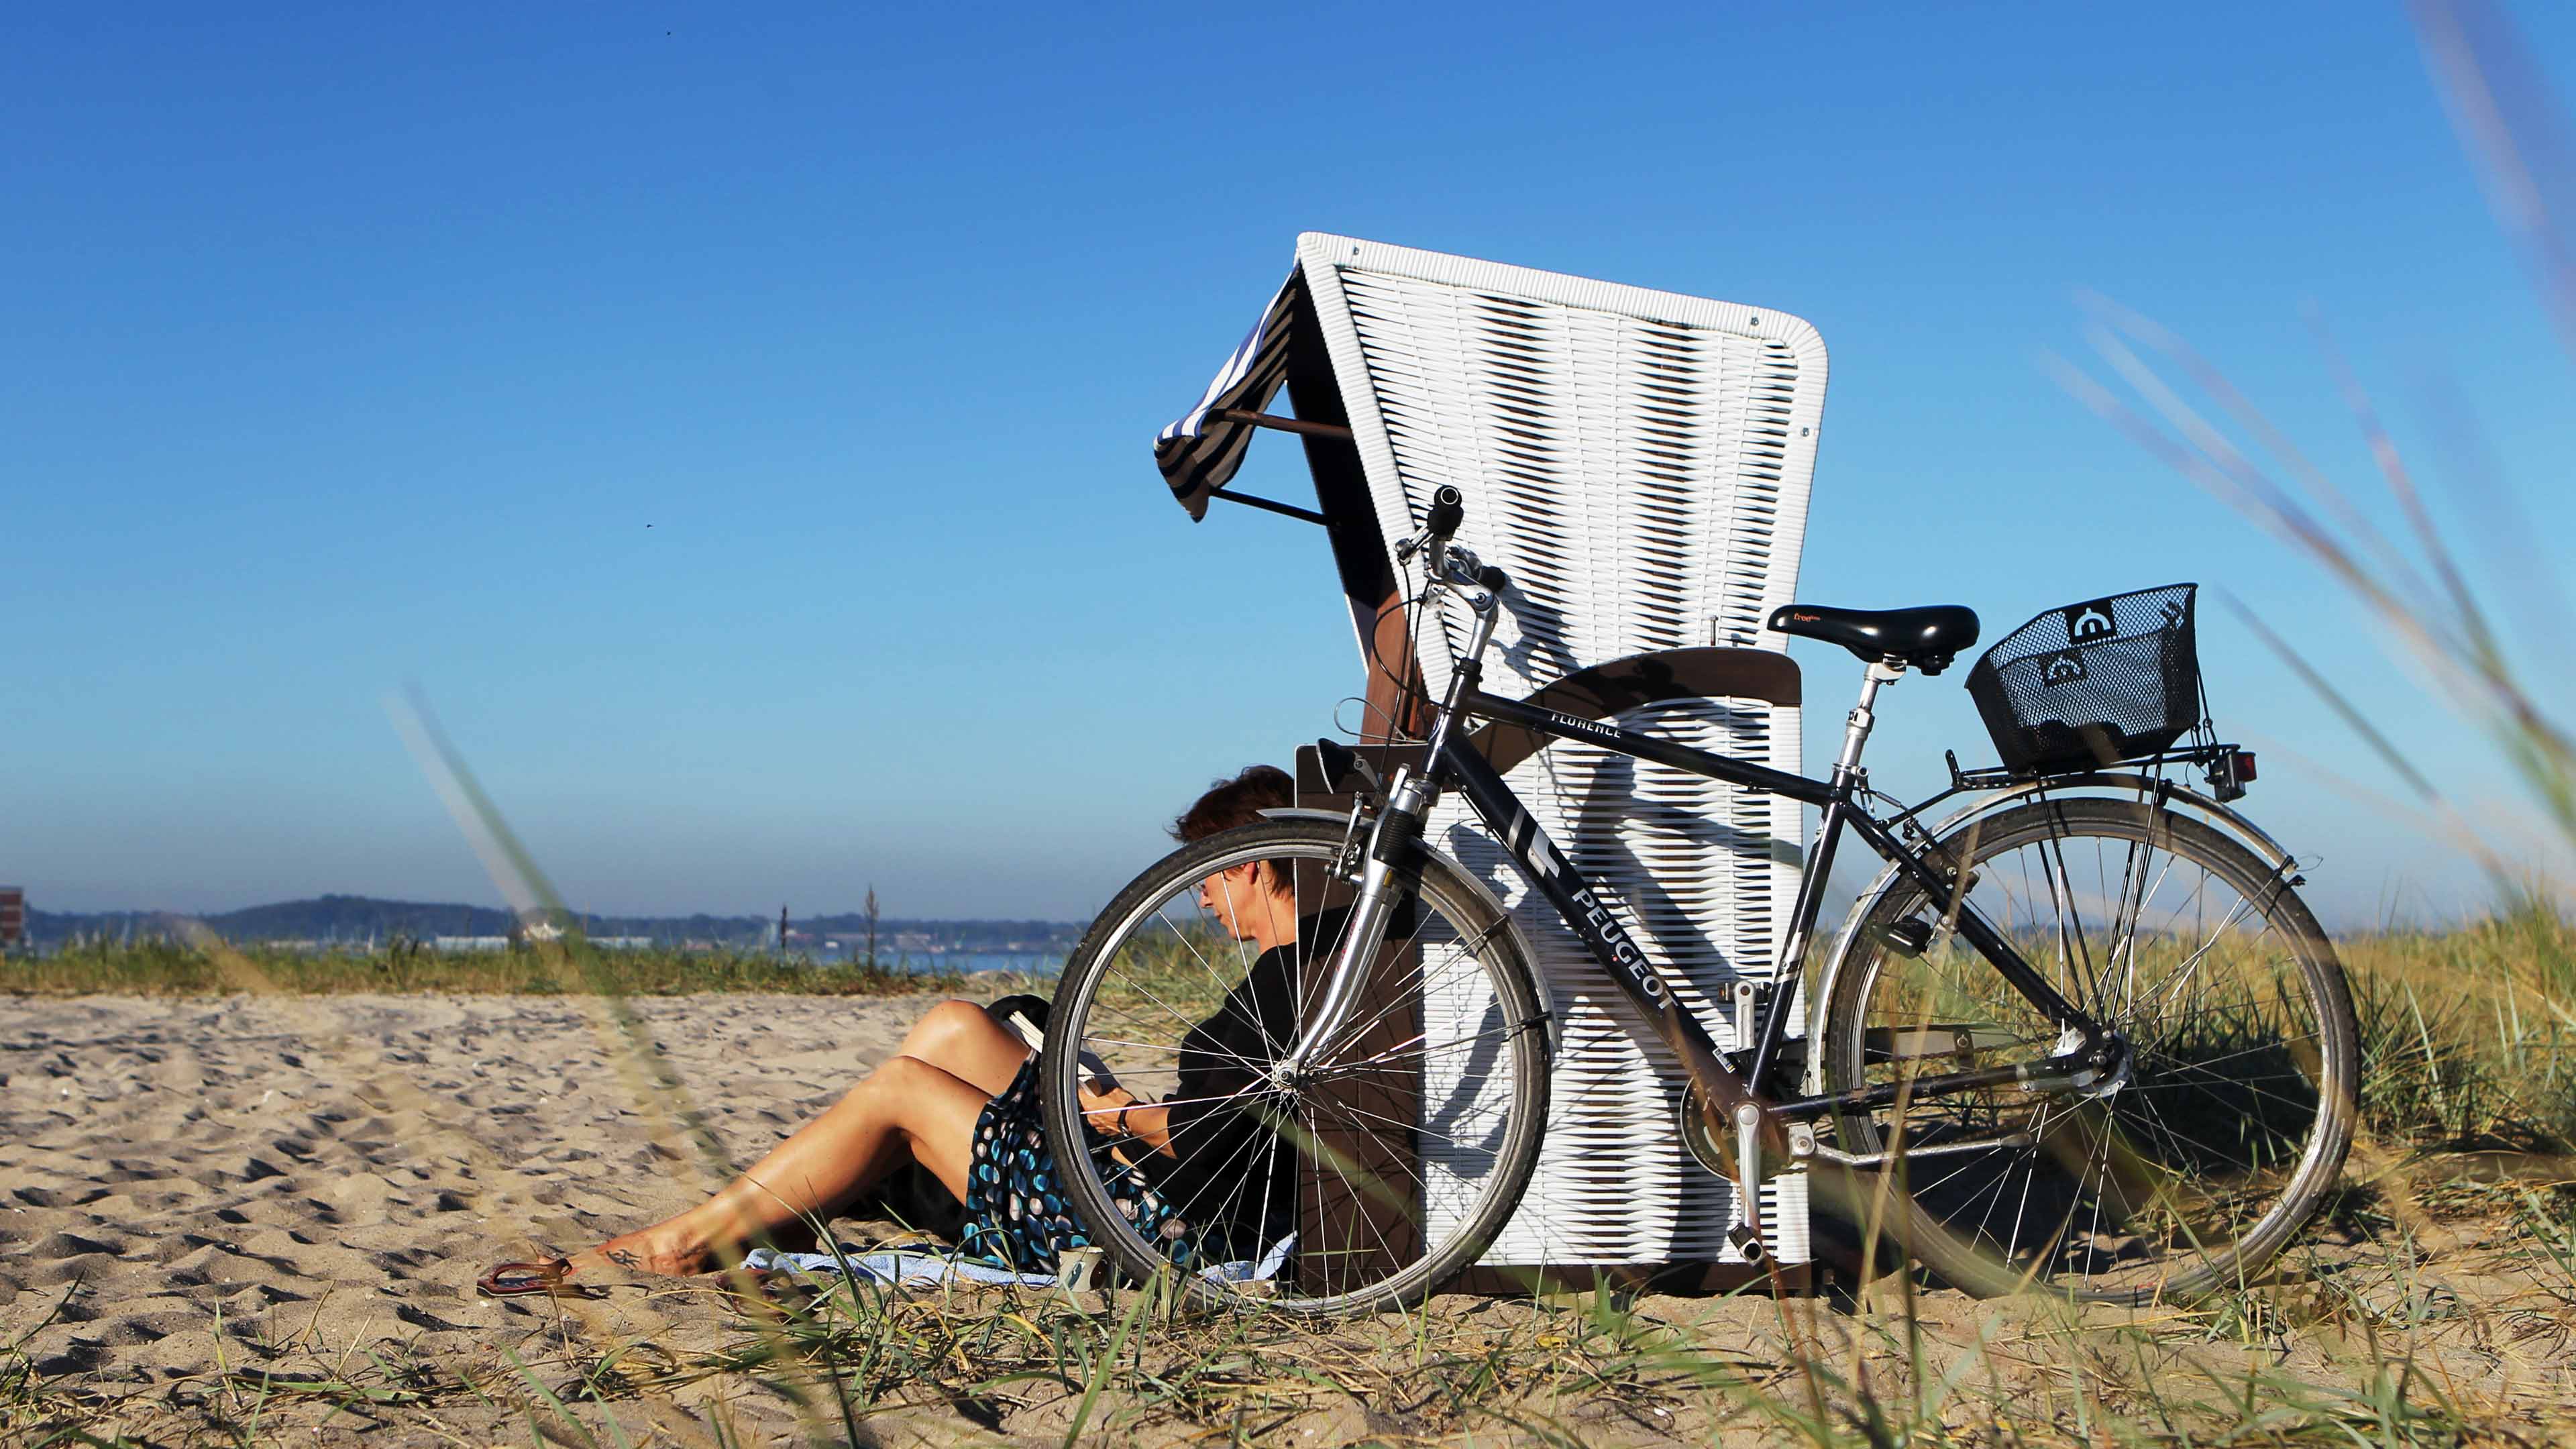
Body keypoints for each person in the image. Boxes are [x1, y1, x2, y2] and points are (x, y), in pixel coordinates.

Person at [486, 765, 1303, 1292]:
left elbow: (1206, 1141)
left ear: (1252, 865)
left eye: (1208, 877)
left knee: (904, 1089)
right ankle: (804, 1193)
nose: (1200, 897)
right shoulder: (1303, 973)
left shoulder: (1289, 979)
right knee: (954, 1028)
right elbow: (1230, 1124)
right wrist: (1114, 1105)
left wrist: (1108, 1113)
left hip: (1152, 1226)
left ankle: (689, 1243)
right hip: (1147, 1181)